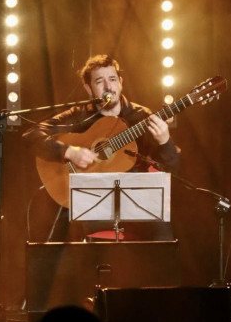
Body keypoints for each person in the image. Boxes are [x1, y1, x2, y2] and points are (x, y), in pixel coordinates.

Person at [25, 53, 180, 241]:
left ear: (120, 82)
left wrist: (165, 141)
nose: (109, 87)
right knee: (54, 234)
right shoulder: (79, 116)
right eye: (100, 82)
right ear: (88, 89)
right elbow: (31, 136)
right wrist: (69, 152)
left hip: (133, 205)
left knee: (163, 233)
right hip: (89, 206)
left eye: (113, 79)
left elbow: (170, 169)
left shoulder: (141, 117)